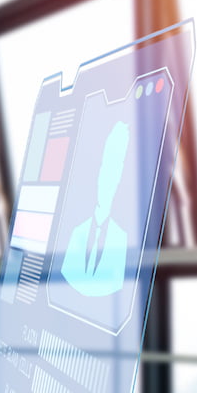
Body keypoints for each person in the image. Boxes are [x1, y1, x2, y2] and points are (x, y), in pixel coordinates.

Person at [60, 121, 131, 298]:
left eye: (114, 170)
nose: (107, 177)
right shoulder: (76, 233)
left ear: (120, 177)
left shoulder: (122, 240)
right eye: (104, 167)